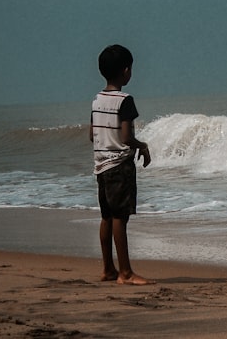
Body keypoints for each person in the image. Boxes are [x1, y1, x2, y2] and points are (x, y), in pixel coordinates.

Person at [89, 44, 152, 285]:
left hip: (101, 167)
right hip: (119, 166)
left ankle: (108, 269)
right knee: (120, 218)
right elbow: (126, 138)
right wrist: (142, 145)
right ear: (126, 71)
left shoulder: (97, 100)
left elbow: (91, 135)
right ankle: (125, 272)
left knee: (106, 217)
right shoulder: (125, 100)